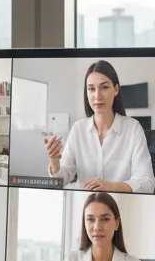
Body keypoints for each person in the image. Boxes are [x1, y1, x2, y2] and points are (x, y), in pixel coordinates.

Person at [44, 60, 154, 194]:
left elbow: (147, 183)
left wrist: (109, 186)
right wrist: (55, 162)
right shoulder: (78, 129)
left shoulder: (133, 128)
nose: (97, 96)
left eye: (104, 87)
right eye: (91, 89)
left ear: (116, 89)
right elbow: (61, 181)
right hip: (86, 204)